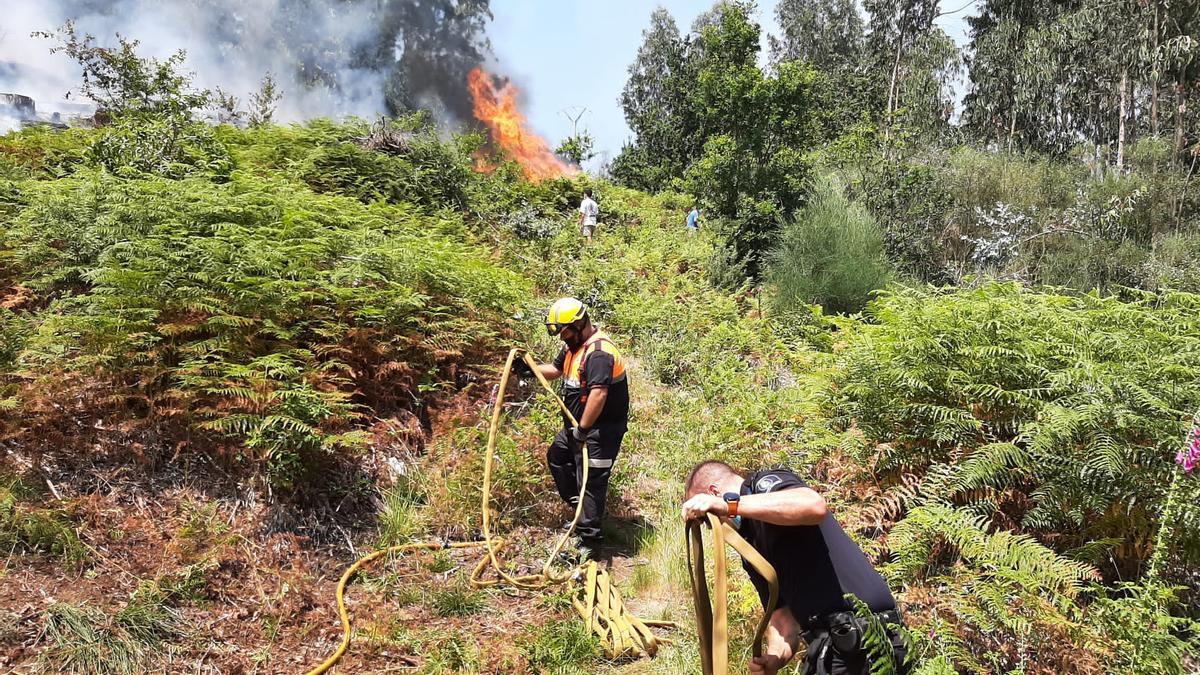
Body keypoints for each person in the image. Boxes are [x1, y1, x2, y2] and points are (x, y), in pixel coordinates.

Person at [681, 461, 908, 675]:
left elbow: (813, 505)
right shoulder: (750, 546)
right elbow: (783, 618)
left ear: (713, 492)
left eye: (704, 517)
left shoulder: (763, 486)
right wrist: (774, 658)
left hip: (865, 639)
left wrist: (728, 506)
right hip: (833, 650)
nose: (710, 526)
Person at [513, 297, 629, 558]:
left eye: (564, 330)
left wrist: (583, 430)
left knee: (591, 480)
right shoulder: (573, 347)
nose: (562, 337)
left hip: (599, 432)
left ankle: (590, 542)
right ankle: (580, 511)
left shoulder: (599, 353)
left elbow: (598, 396)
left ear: (579, 324)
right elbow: (555, 369)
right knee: (558, 457)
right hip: (577, 428)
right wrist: (529, 370)